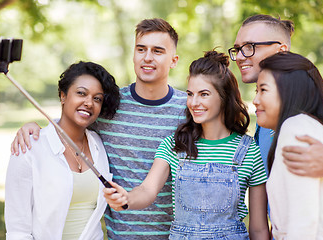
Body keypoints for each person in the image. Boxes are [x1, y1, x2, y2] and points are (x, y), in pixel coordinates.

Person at [10, 18, 186, 239]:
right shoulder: (110, 105)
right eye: (141, 49)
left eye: (158, 51)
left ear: (174, 60)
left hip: (176, 235)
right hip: (120, 236)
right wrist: (33, 126)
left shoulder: (189, 109)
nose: (147, 57)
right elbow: (73, 121)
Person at [104, 51, 269, 239]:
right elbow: (147, 190)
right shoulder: (174, 146)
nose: (194, 102)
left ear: (224, 98)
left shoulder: (249, 151)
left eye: (204, 94)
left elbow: (258, 228)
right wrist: (127, 198)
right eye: (190, 94)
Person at [5, 61, 120, 239]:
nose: (89, 103)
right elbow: (17, 229)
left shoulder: (99, 144)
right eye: (81, 93)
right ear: (63, 96)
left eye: (97, 98)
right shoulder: (29, 146)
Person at [228, 14, 323, 176]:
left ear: (281, 50)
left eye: (249, 47)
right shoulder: (265, 112)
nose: (239, 57)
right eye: (237, 49)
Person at [253, 51, 323, 239]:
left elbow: (303, 220)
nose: (255, 100)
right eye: (256, 91)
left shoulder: (296, 128)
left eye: (263, 90)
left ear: (289, 91)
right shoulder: (307, 126)